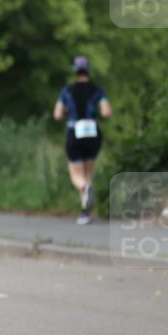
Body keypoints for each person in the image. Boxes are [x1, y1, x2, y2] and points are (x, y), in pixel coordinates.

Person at [53, 56, 112, 225]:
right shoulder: (98, 90)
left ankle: (85, 191)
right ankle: (84, 213)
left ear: (75, 71)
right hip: (93, 133)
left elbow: (57, 114)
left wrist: (66, 112)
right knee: (88, 174)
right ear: (88, 70)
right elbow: (107, 112)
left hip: (74, 131)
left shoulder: (67, 91)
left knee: (77, 176)